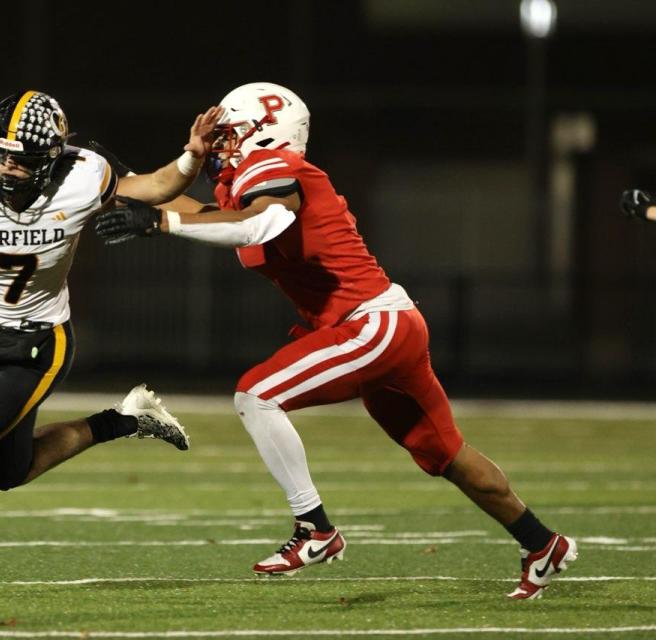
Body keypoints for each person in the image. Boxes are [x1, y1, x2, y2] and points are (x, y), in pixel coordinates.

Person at [95, 82, 577, 600]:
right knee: (446, 454)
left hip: (369, 324)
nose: (220, 146)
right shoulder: (245, 183)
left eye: (229, 135)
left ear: (264, 132)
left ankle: (316, 530)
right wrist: (108, 184)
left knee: (257, 394)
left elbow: (260, 223)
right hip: (385, 324)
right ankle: (542, 542)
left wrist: (162, 222)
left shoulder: (275, 169)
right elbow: (206, 215)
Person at [0, 90, 220, 597]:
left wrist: (192, 156)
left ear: (52, 156)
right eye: (3, 154)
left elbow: (157, 187)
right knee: (10, 472)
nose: (10, 168)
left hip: (39, 344)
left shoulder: (81, 179)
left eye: (24, 158)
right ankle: (126, 419)